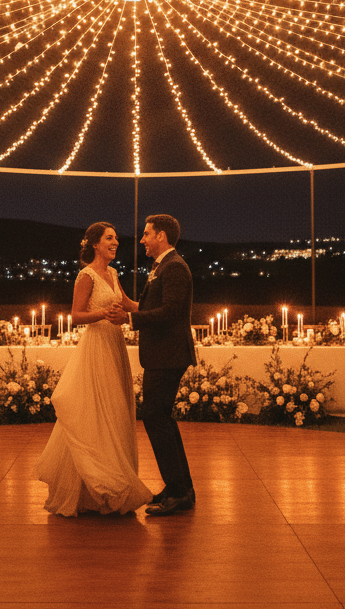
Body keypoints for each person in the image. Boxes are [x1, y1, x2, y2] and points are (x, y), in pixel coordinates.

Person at [36, 222, 153, 516]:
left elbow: (127, 303)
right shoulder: (85, 275)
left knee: (115, 412)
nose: (115, 242)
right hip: (96, 347)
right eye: (109, 238)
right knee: (95, 413)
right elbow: (75, 316)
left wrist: (155, 310)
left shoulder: (112, 273)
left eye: (116, 238)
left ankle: (112, 481)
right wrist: (105, 313)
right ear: (95, 244)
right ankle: (97, 485)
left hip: (115, 346)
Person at [107, 214, 196, 516]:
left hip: (169, 355)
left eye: (146, 234)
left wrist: (130, 319)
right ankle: (179, 488)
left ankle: (180, 492)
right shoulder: (163, 267)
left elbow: (170, 312)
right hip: (163, 354)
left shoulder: (175, 268)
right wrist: (130, 306)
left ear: (162, 236)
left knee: (155, 418)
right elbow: (155, 307)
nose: (142, 239)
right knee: (162, 419)